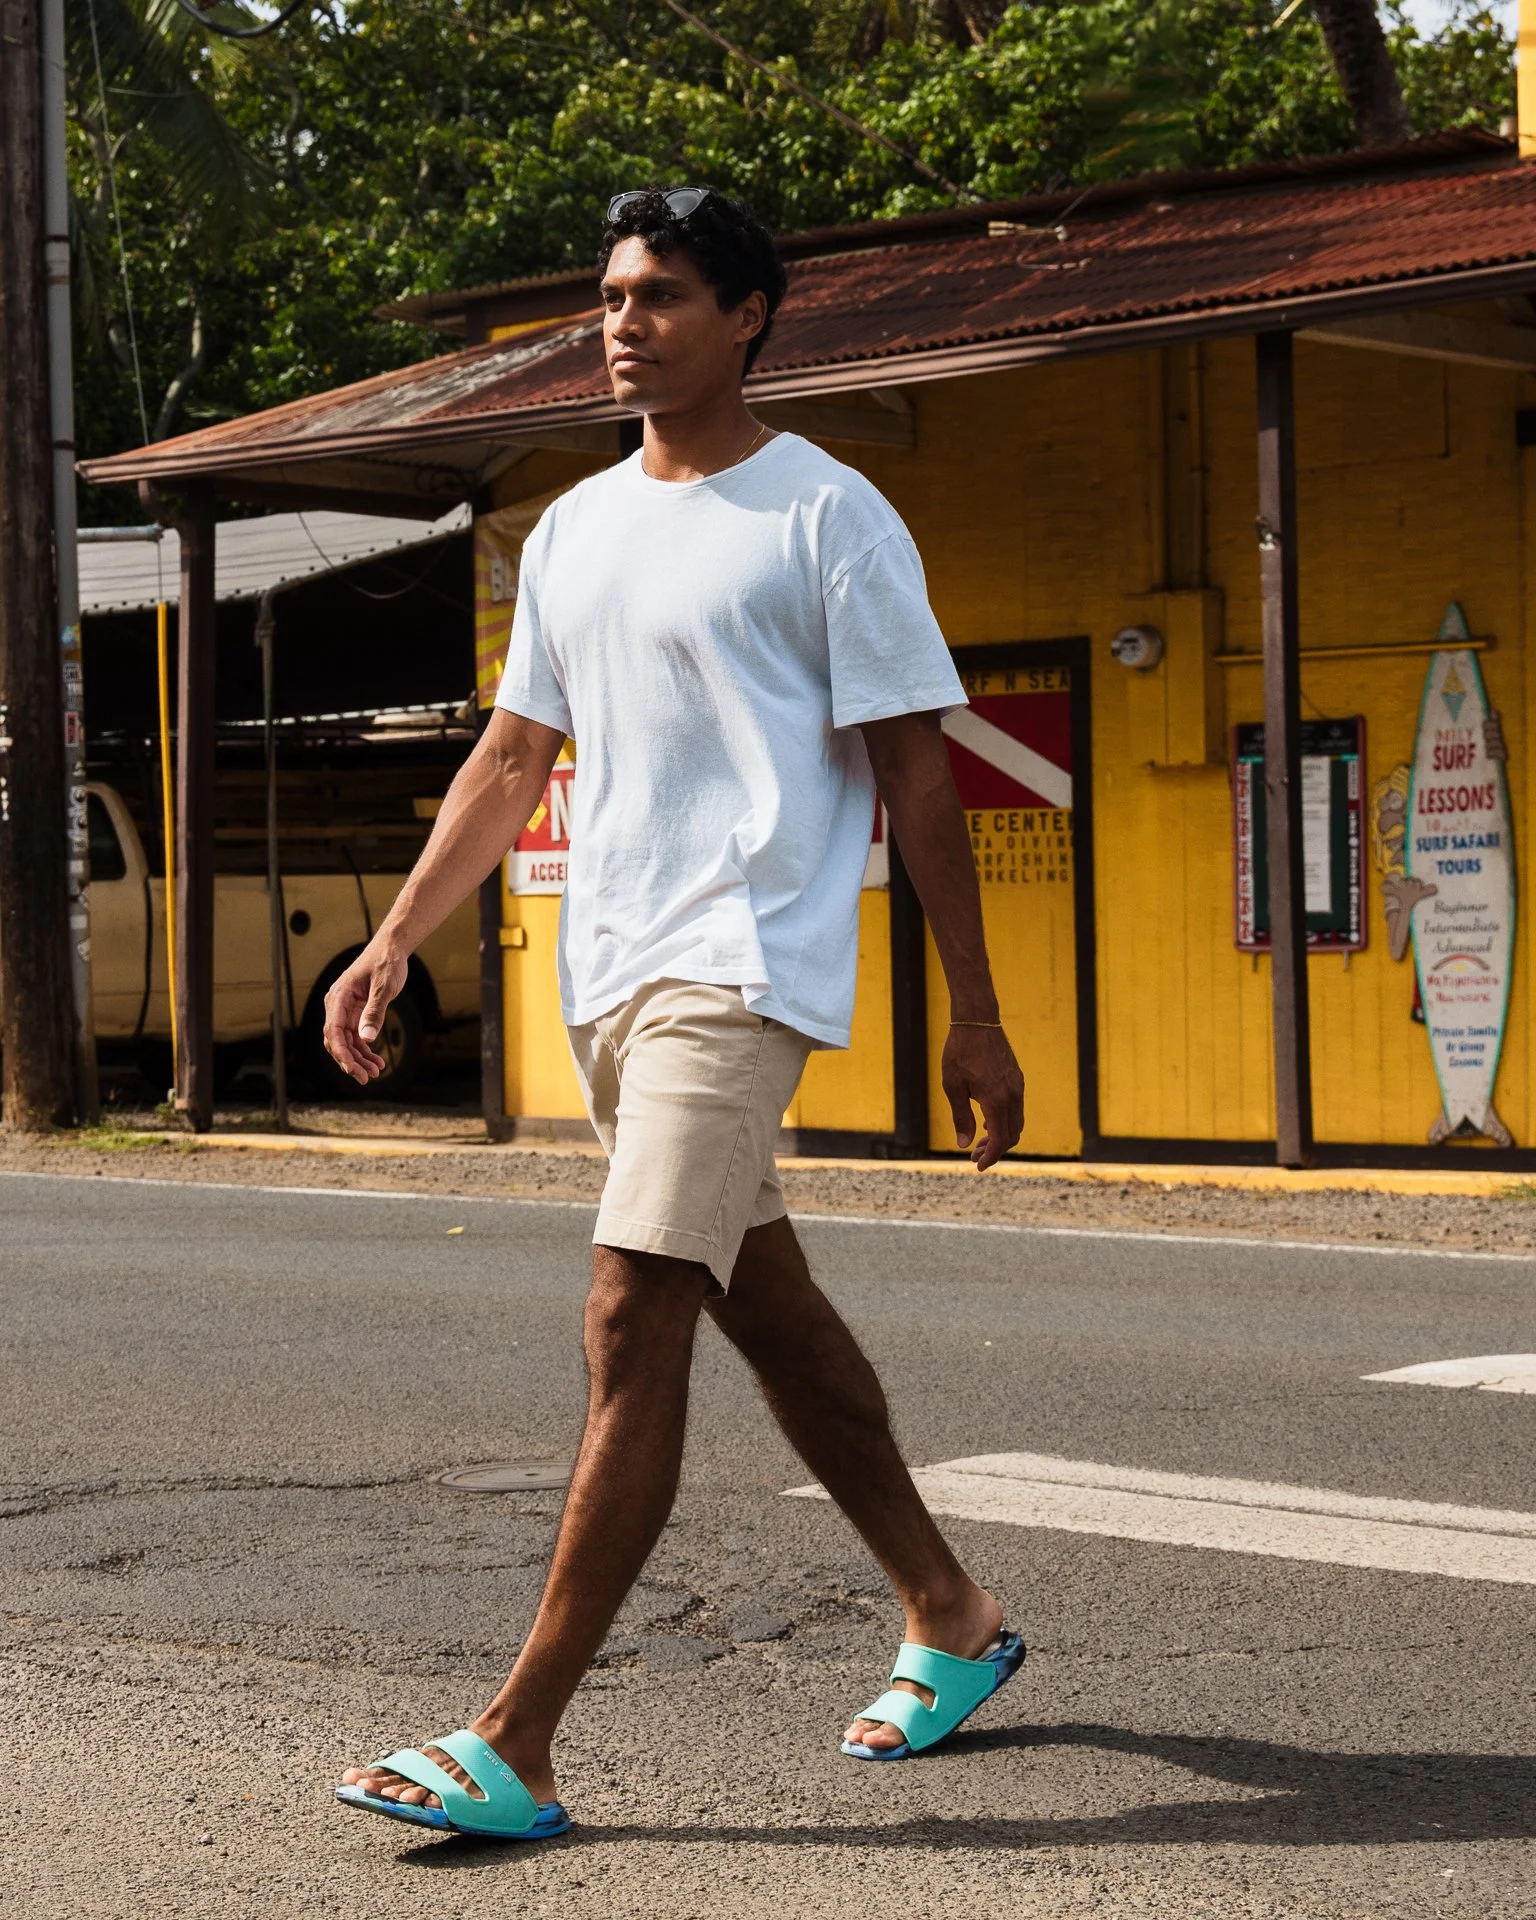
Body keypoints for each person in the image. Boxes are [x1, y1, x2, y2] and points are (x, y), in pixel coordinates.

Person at [331, 186, 1027, 1843]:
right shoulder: (572, 528)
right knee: (757, 1300)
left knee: (634, 1307)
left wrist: (977, 1013)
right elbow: (512, 762)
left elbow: (920, 770)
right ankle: (949, 1610)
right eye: (610, 298)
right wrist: (391, 941)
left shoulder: (827, 515)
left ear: (750, 316)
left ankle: (519, 1739)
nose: (622, 324)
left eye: (658, 297)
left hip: (745, 963)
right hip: (613, 971)